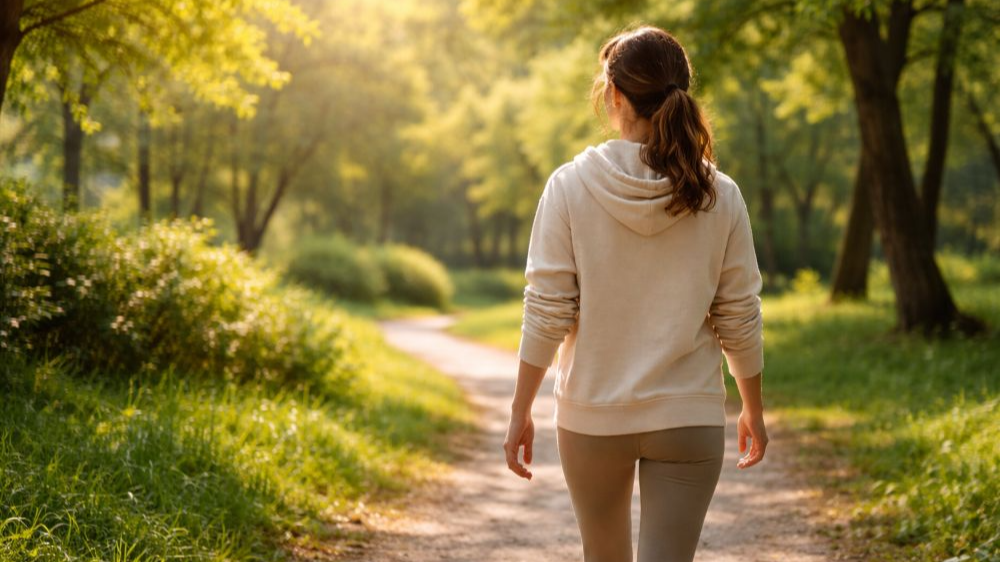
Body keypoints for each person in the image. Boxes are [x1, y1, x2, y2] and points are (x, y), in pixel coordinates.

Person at [502, 25, 769, 562]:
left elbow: (547, 311)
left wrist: (520, 410)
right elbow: (738, 313)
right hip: (688, 417)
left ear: (614, 95)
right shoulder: (720, 194)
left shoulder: (569, 187)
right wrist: (752, 409)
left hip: (593, 416)